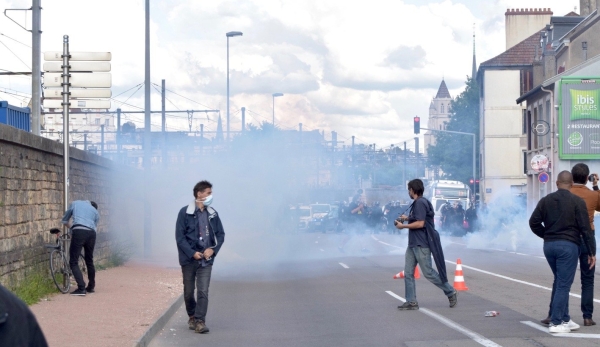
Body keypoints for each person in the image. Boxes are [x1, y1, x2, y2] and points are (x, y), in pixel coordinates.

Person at [529, 170, 596, 333]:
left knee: (560, 280)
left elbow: (533, 222)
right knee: (564, 284)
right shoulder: (577, 202)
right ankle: (556, 322)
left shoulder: (546, 200)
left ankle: (565, 318)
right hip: (568, 246)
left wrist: (546, 235)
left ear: (557, 183)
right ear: (571, 185)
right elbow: (585, 229)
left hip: (549, 246)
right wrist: (592, 252)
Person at [394, 179, 457, 310]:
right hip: (413, 244)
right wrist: (407, 218)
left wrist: (403, 226)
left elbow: (420, 223)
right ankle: (411, 301)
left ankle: (450, 291)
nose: (408, 192)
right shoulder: (418, 203)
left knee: (428, 272)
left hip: (421, 244)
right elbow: (418, 218)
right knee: (408, 273)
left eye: (409, 189)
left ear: (413, 190)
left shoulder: (420, 203)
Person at [175, 180, 225, 334]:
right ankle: (192, 316)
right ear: (199, 194)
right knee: (189, 292)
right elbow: (180, 237)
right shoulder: (185, 212)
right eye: (208, 193)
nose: (211, 195)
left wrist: (213, 249)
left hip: (206, 260)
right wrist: (192, 253)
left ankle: (200, 321)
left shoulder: (213, 214)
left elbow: (221, 234)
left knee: (203, 291)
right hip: (189, 260)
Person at [61, 200, 99, 296]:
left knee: (73, 261)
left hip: (79, 231)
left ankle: (81, 288)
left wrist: (71, 230)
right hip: (91, 234)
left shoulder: (75, 203)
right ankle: (91, 287)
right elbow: (94, 227)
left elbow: (65, 220)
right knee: (89, 260)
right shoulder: (96, 212)